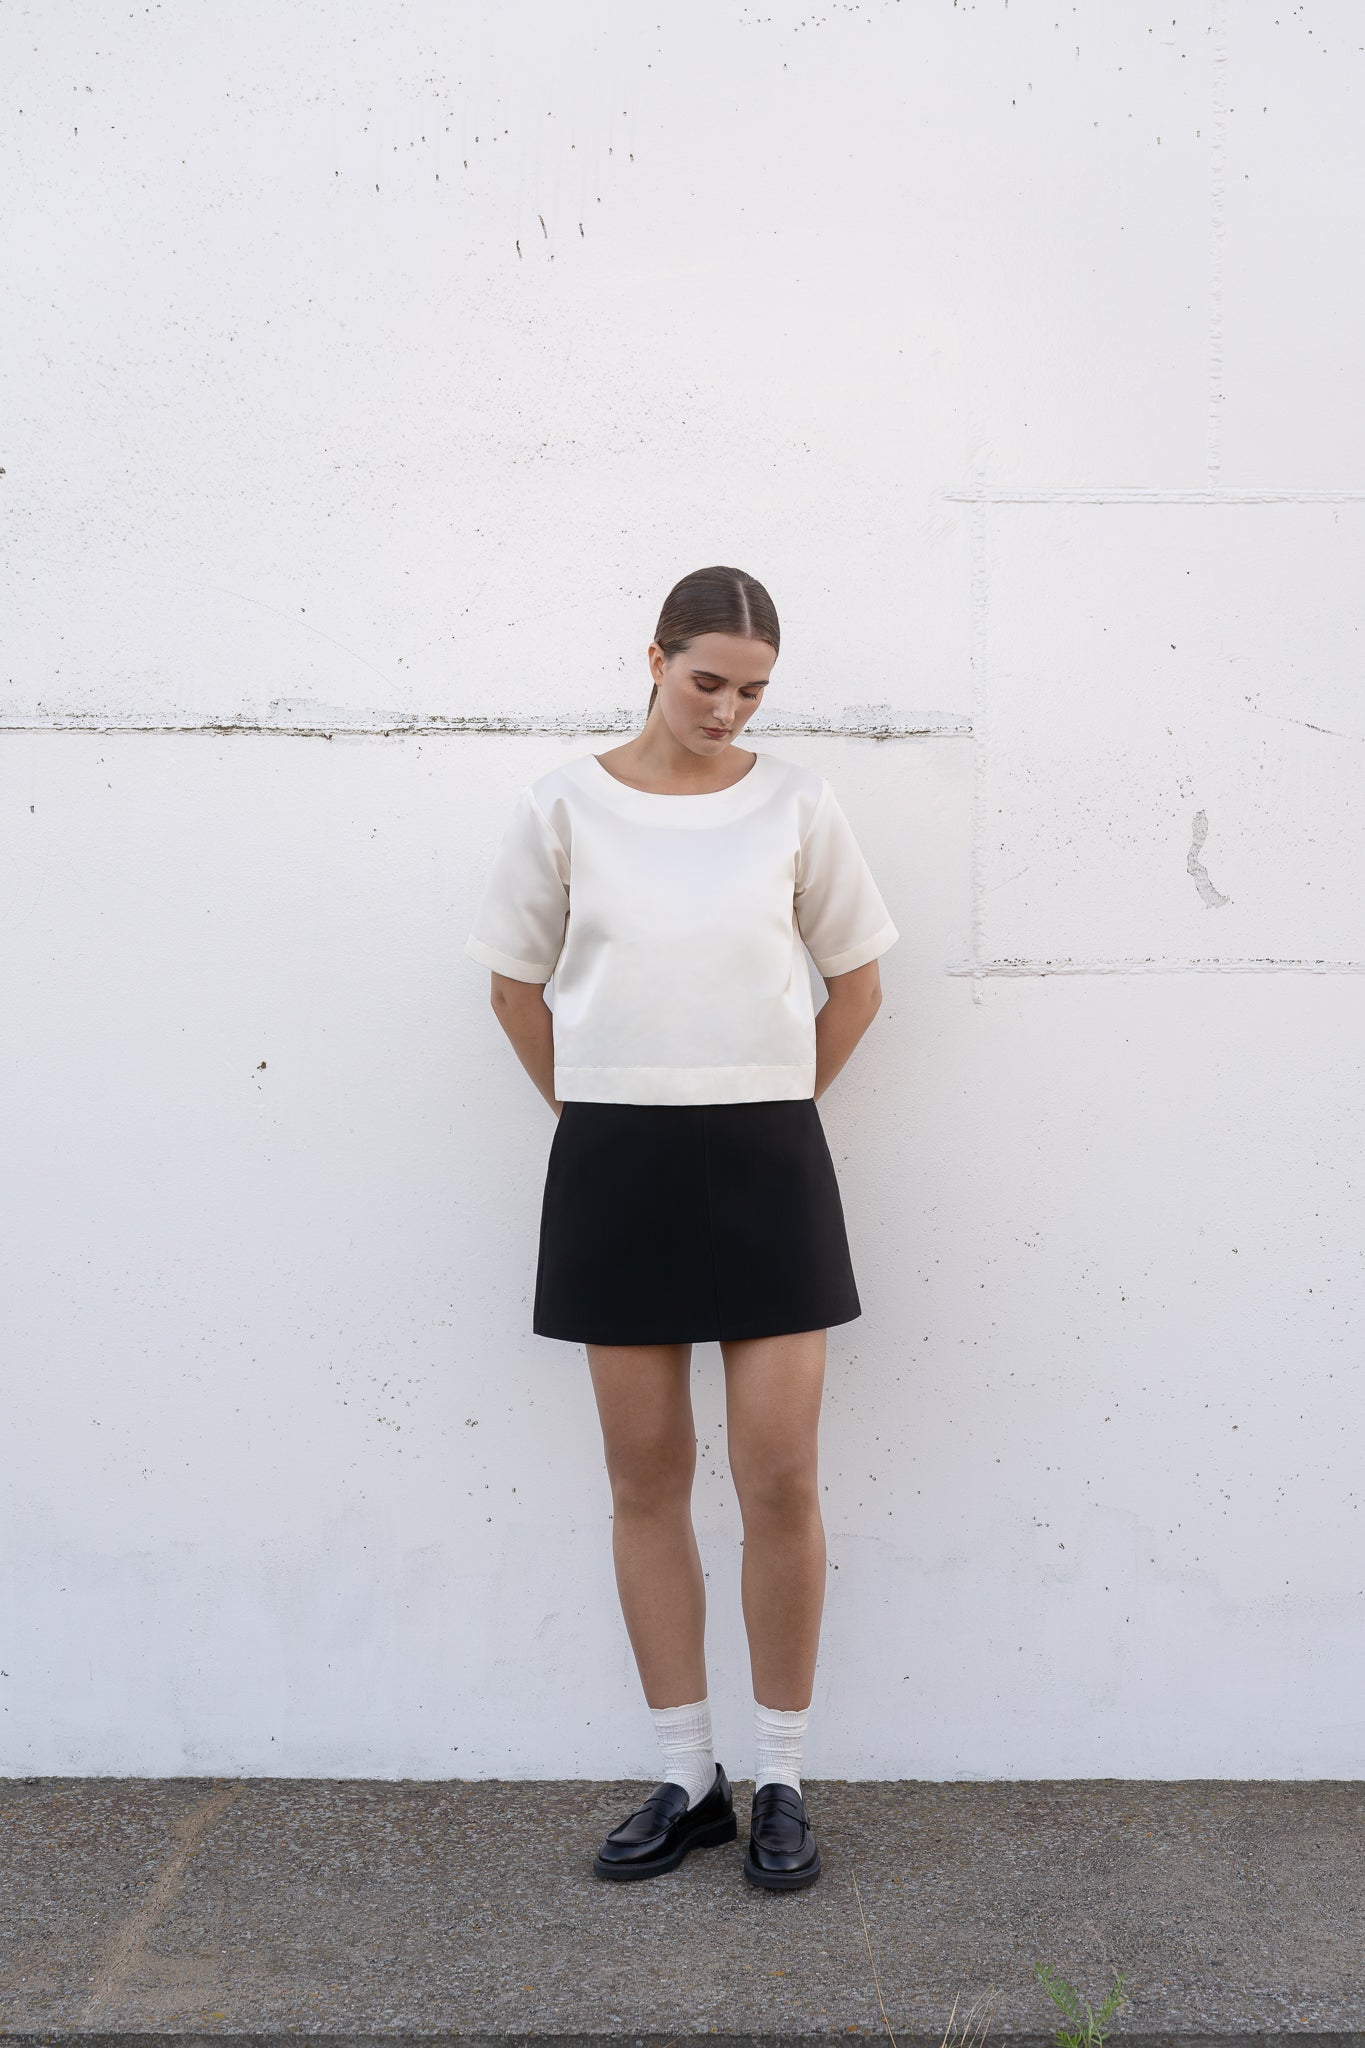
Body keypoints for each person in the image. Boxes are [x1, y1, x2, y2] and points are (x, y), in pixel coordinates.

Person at [464, 564, 898, 1891]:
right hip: (614, 1158)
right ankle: (685, 1774)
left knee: (778, 1479)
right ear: (650, 658)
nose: (727, 709)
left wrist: (766, 1106)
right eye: (706, 680)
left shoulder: (796, 802)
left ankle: (781, 1775)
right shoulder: (562, 805)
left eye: (753, 690)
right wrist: (597, 1114)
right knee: (644, 1479)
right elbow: (514, 987)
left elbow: (860, 979)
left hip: (767, 1156)